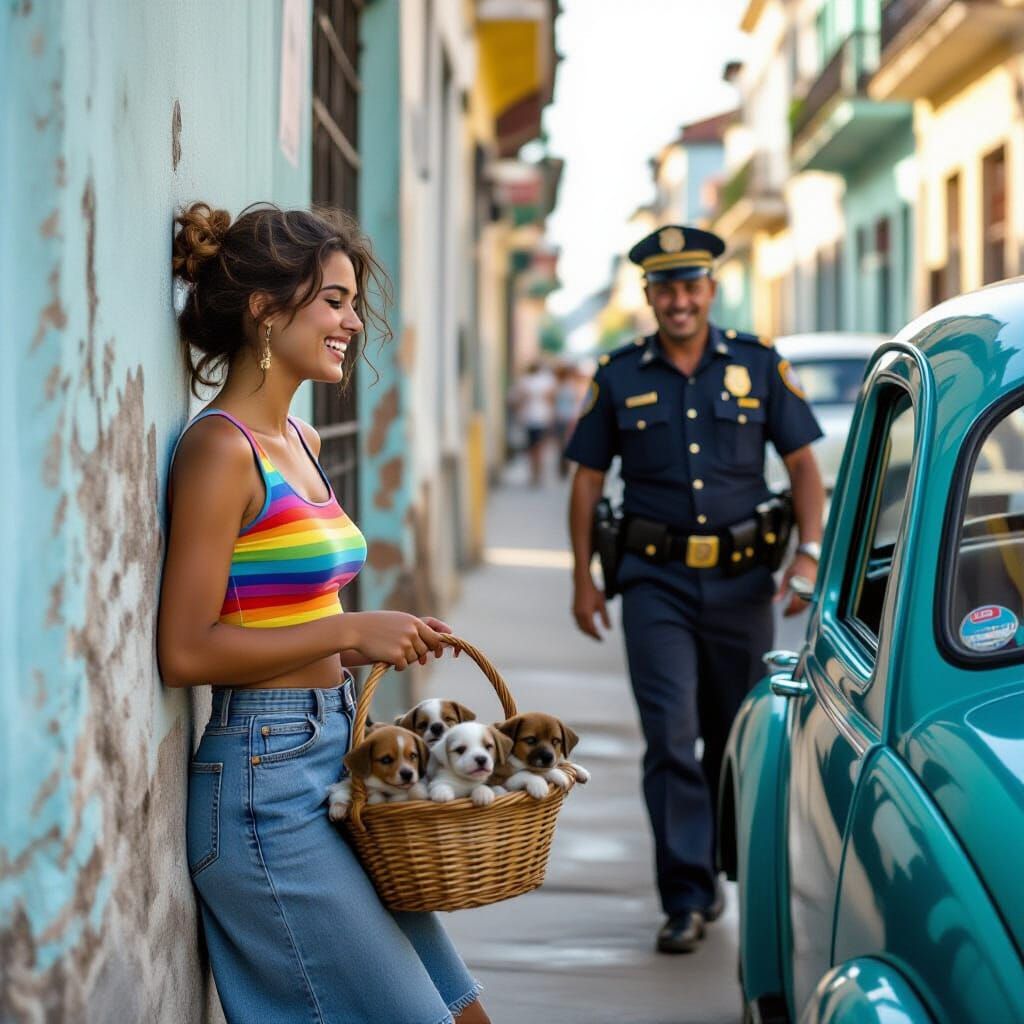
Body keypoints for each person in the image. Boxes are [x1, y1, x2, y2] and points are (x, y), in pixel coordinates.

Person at [158, 202, 489, 1024]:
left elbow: (281, 605)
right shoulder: (219, 448)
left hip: (337, 759)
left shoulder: (299, 437)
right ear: (267, 311)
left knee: (465, 1010)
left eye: (352, 303)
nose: (352, 322)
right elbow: (186, 652)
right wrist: (349, 630)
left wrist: (371, 640)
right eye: (333, 301)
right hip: (263, 787)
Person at [564, 224, 824, 954]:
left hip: (744, 585)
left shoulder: (758, 365)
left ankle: (724, 873)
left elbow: (804, 466)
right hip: (655, 584)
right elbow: (586, 483)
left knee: (732, 736)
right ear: (649, 295)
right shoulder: (618, 376)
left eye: (691, 286)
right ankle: (684, 894)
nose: (678, 300)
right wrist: (582, 577)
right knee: (672, 735)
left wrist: (806, 556)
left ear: (710, 290)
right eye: (665, 288)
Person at [511, 360, 556, 486]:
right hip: (541, 418)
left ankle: (534, 474)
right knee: (539, 447)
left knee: (532, 448)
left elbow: (518, 400)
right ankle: (538, 473)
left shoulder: (525, 381)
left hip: (530, 418)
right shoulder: (546, 380)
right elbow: (551, 399)